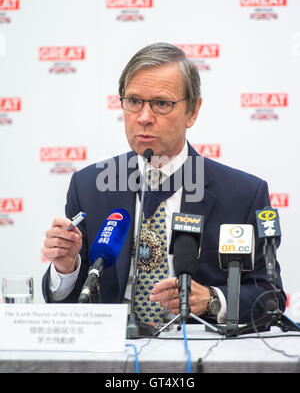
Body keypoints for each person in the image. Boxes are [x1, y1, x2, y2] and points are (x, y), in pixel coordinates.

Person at [42, 42, 286, 326]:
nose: (144, 117)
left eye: (161, 103)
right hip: (111, 351)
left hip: (198, 354)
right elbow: (71, 305)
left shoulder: (242, 194)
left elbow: (270, 298)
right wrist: (66, 267)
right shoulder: (89, 187)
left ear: (192, 112)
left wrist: (211, 299)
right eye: (134, 101)